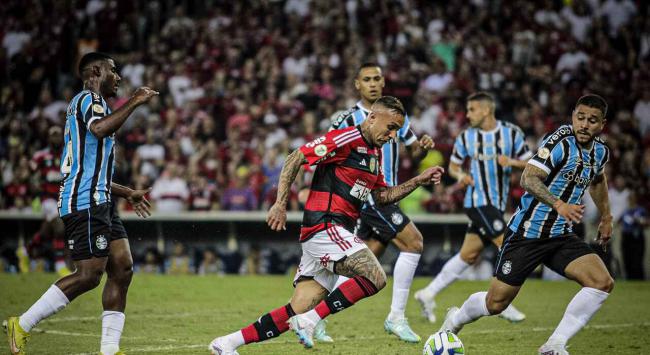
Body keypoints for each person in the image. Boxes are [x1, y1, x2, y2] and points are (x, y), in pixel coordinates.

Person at [209, 96, 444, 354]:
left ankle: (228, 343)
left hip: (332, 234)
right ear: (373, 117)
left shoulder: (374, 155)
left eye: (397, 131)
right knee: (375, 276)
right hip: (325, 226)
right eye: (390, 127)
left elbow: (381, 197)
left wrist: (417, 181)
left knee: (297, 307)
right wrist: (280, 203)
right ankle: (310, 322)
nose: (392, 135)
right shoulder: (345, 139)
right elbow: (296, 156)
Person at [3, 52, 158, 355]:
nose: (120, 78)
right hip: (84, 201)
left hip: (100, 198)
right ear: (98, 71)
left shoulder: (92, 105)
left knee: (123, 267)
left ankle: (110, 350)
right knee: (89, 275)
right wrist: (136, 101)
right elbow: (101, 129)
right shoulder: (89, 99)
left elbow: (90, 167)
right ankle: (22, 323)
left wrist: (126, 192)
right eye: (114, 71)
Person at [439, 94, 615, 355]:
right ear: (573, 116)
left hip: (560, 236)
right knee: (495, 303)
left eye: (592, 120)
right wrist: (559, 205)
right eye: (580, 117)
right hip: (526, 233)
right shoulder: (559, 142)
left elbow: (598, 181)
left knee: (602, 282)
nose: (584, 125)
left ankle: (554, 345)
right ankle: (455, 318)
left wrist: (606, 217)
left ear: (602, 124)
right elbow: (528, 178)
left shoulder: (600, 151)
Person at [324, 62, 436, 342]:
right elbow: (327, 150)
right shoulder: (348, 118)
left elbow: (412, 154)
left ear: (383, 83)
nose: (372, 83)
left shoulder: (399, 116)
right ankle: (396, 317)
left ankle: (314, 317)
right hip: (369, 195)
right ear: (357, 85)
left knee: (360, 264)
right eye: (367, 79)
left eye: (377, 78)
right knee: (414, 243)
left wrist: (421, 150)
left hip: (388, 191)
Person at [414, 92, 530, 323]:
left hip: (496, 204)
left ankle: (428, 293)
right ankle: (502, 302)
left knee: (468, 255)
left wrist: (512, 163)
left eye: (472, 110)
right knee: (508, 245)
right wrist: (462, 176)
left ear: (486, 110)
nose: (467, 115)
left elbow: (531, 162)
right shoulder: (467, 137)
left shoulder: (511, 133)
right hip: (478, 202)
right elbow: (454, 166)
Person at [28, 125, 69, 276]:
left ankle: (26, 249)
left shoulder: (68, 154)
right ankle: (60, 265)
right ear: (48, 137)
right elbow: (29, 173)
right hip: (47, 199)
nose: (56, 138)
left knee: (46, 231)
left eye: (58, 135)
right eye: (53, 135)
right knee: (59, 227)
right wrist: (34, 183)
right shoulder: (41, 156)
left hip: (64, 198)